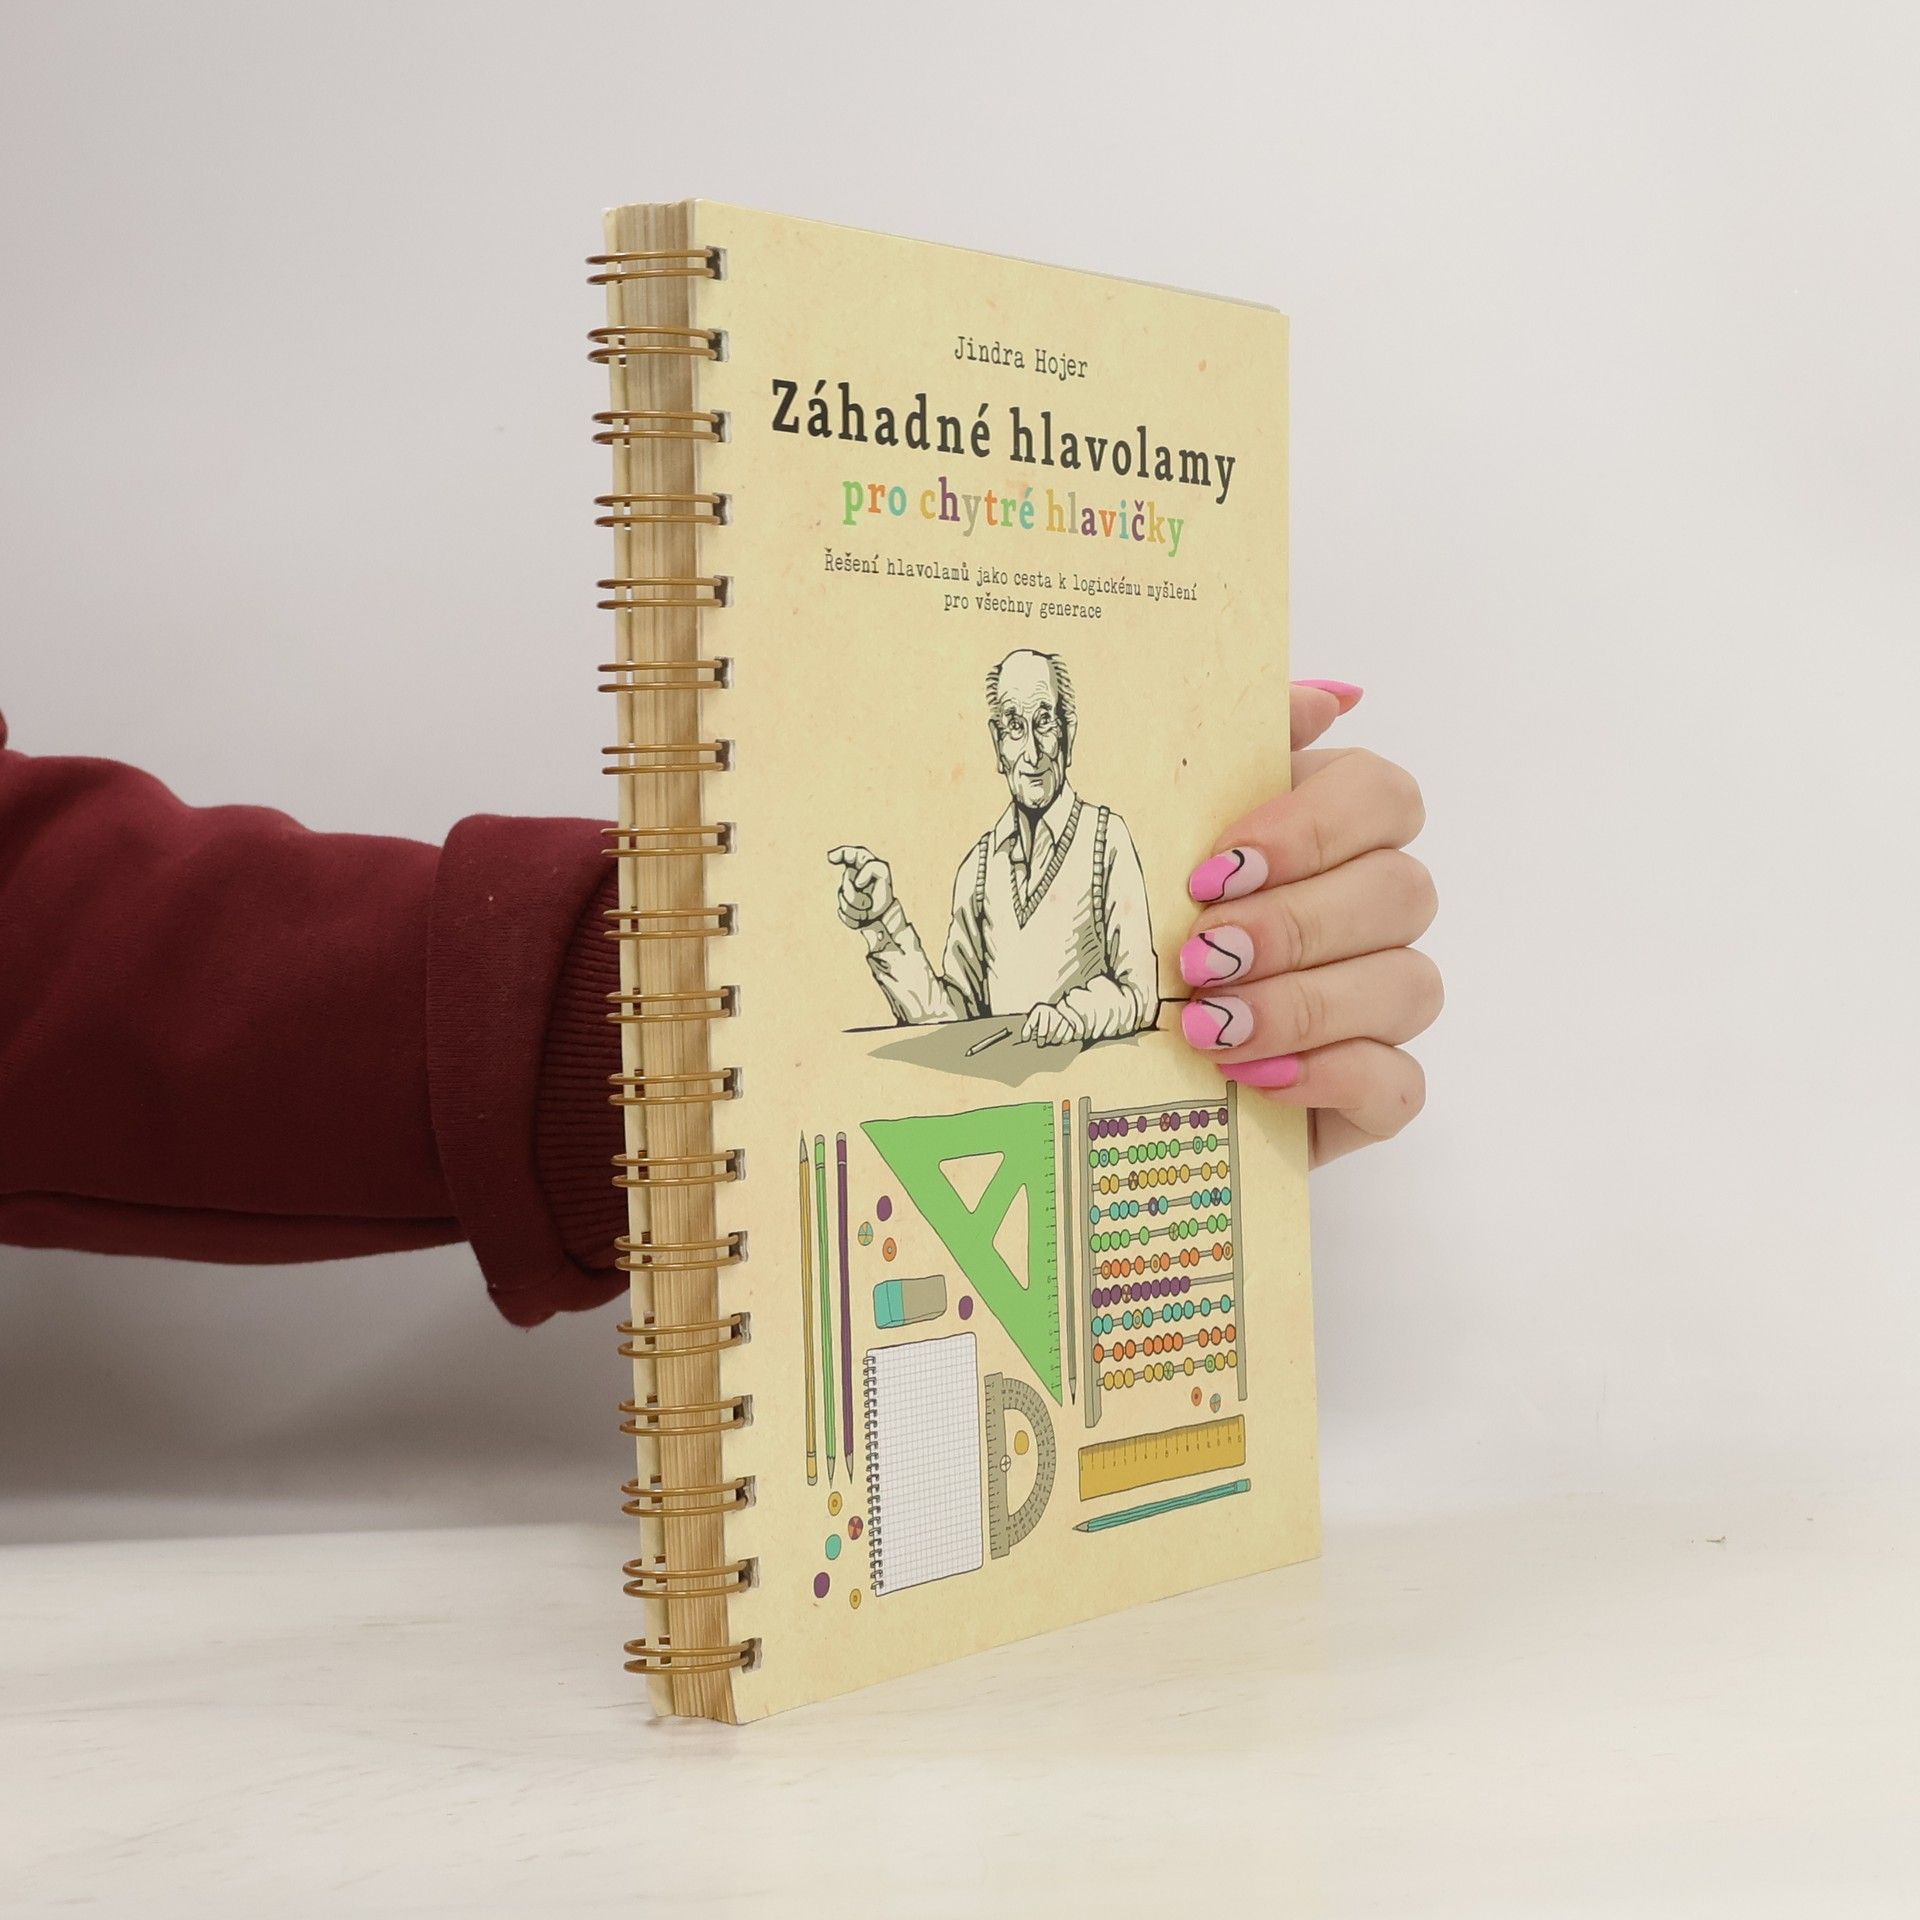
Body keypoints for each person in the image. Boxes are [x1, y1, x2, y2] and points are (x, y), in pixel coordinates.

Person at [0, 679, 1438, 1324]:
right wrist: (814, 964)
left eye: (1038, 722)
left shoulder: (1114, 844)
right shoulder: (977, 868)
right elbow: (934, 1011)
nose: (1020, 747)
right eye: (1003, 724)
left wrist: (1158, 1094)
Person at [829, 649, 1158, 1047]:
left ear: (1067, 734)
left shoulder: (1106, 839)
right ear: (997, 744)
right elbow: (952, 1020)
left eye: (1044, 722)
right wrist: (882, 924)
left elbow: (1139, 994)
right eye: (1015, 727)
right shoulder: (978, 869)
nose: (1032, 753)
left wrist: (1072, 1017)